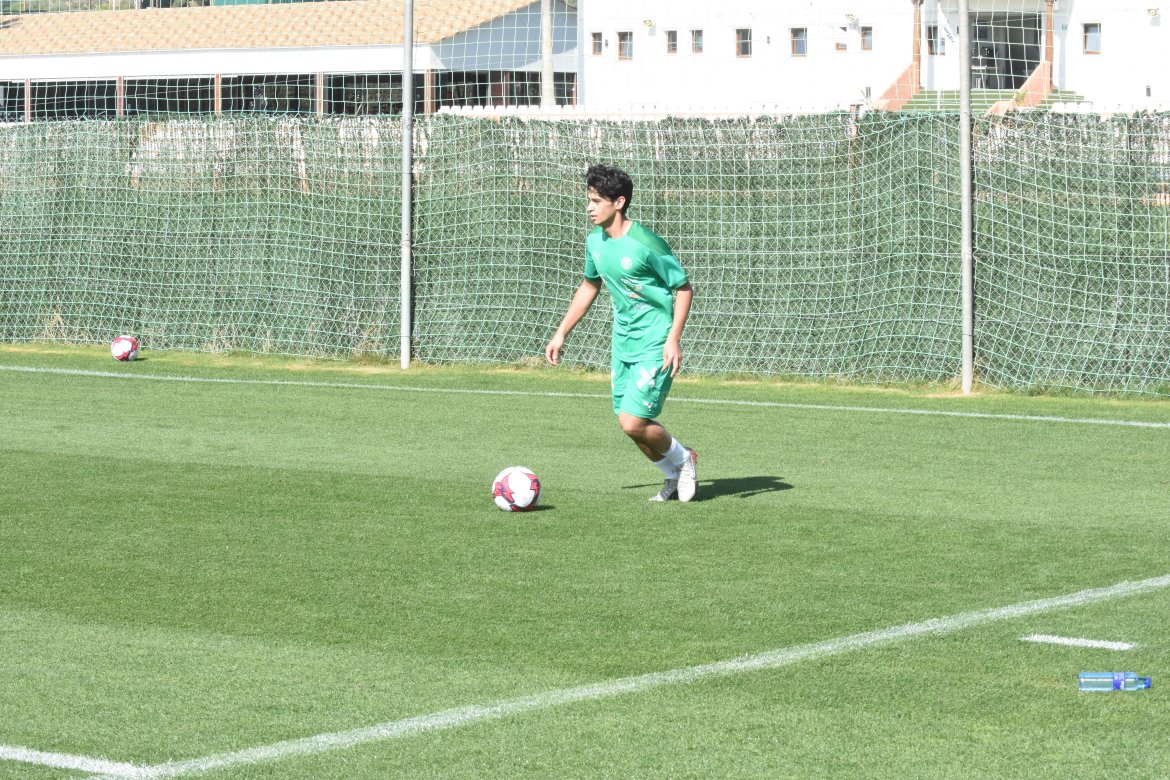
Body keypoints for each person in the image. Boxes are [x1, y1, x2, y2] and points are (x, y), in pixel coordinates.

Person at [545, 164, 698, 502]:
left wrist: (673, 338)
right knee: (628, 424)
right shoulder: (594, 242)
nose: (589, 208)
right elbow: (589, 285)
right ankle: (672, 474)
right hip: (623, 344)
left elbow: (683, 288)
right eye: (588, 200)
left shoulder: (646, 242)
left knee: (633, 421)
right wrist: (561, 333)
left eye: (597, 201)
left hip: (655, 342)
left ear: (619, 202)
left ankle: (685, 458)